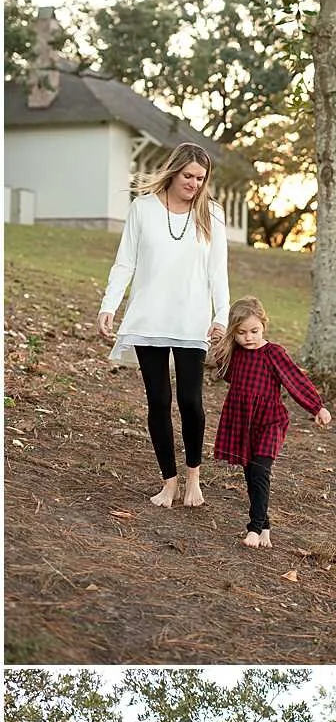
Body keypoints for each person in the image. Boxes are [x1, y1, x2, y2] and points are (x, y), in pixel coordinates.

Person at [98, 143, 230, 508]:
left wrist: (221, 317)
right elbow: (124, 262)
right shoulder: (142, 209)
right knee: (158, 401)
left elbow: (218, 271)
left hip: (192, 320)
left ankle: (193, 478)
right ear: (173, 172)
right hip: (149, 317)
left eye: (201, 179)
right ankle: (168, 483)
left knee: (191, 400)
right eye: (188, 176)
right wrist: (109, 305)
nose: (194, 183)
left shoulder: (212, 214)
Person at [212, 297, 332, 547]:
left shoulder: (273, 353)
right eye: (241, 333)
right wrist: (220, 348)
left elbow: (294, 380)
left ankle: (254, 529)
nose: (248, 338)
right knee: (251, 473)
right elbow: (228, 376)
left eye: (254, 331)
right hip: (242, 420)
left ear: (264, 325)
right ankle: (264, 525)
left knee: (260, 472)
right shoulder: (235, 353)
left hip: (269, 422)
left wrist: (317, 406)